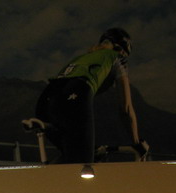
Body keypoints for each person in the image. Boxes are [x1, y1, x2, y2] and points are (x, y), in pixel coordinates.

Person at [35, 27, 148, 164]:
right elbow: (126, 108)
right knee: (85, 162)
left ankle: (44, 176)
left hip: (46, 100)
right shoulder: (117, 58)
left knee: (74, 154)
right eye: (125, 53)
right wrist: (137, 143)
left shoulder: (82, 57)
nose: (124, 55)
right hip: (76, 93)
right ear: (120, 49)